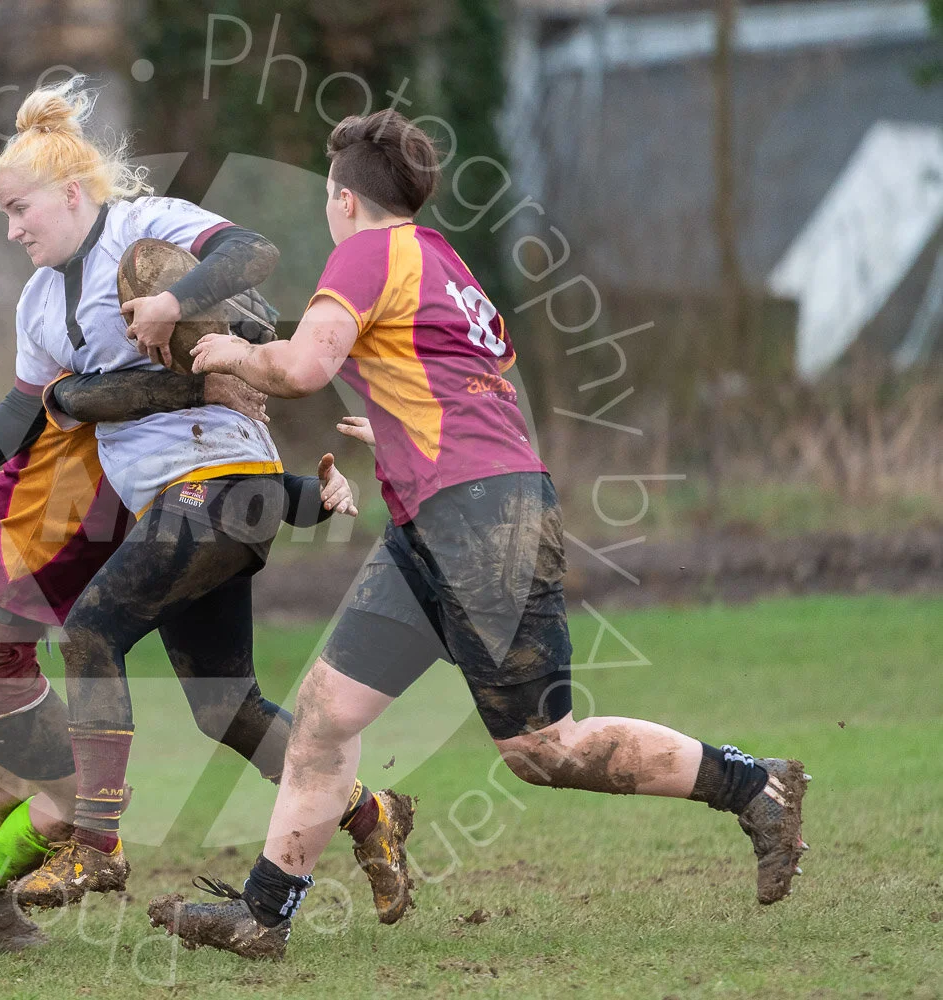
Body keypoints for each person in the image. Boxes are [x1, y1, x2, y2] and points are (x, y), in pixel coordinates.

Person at [149, 109, 809, 959]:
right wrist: (392, 429)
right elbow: (471, 385)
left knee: (540, 748)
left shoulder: (367, 251)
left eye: (326, 197)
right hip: (440, 524)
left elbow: (305, 366)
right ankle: (263, 915)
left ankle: (754, 786)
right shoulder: (442, 260)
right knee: (322, 715)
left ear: (344, 200)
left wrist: (232, 357)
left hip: (482, 523)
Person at [0, 78, 414, 924]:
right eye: (2, 214)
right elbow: (24, 410)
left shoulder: (142, 228)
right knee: (226, 709)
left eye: (21, 207)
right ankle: (372, 813)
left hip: (216, 484)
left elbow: (252, 253)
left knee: (94, 629)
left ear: (72, 193)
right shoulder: (36, 303)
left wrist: (175, 302)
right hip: (191, 505)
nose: (13, 227)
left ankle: (95, 845)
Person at [0, 362, 359, 953]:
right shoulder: (109, 403)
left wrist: (321, 493)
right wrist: (215, 380)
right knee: (88, 800)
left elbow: (236, 485)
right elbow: (67, 395)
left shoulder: (150, 434)